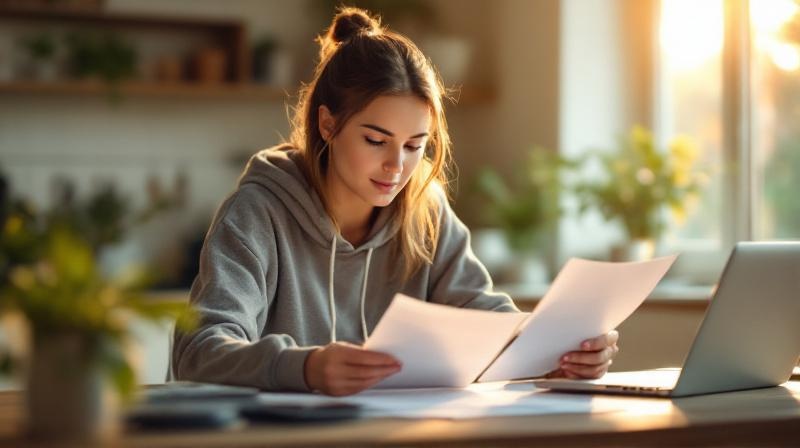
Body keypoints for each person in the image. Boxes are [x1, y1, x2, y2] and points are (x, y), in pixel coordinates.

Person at [172, 7, 619, 397]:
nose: (396, 167)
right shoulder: (258, 212)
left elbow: (485, 316)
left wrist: (558, 351)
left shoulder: (425, 208)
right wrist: (304, 367)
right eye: (375, 140)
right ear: (327, 124)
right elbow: (199, 349)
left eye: (414, 146)